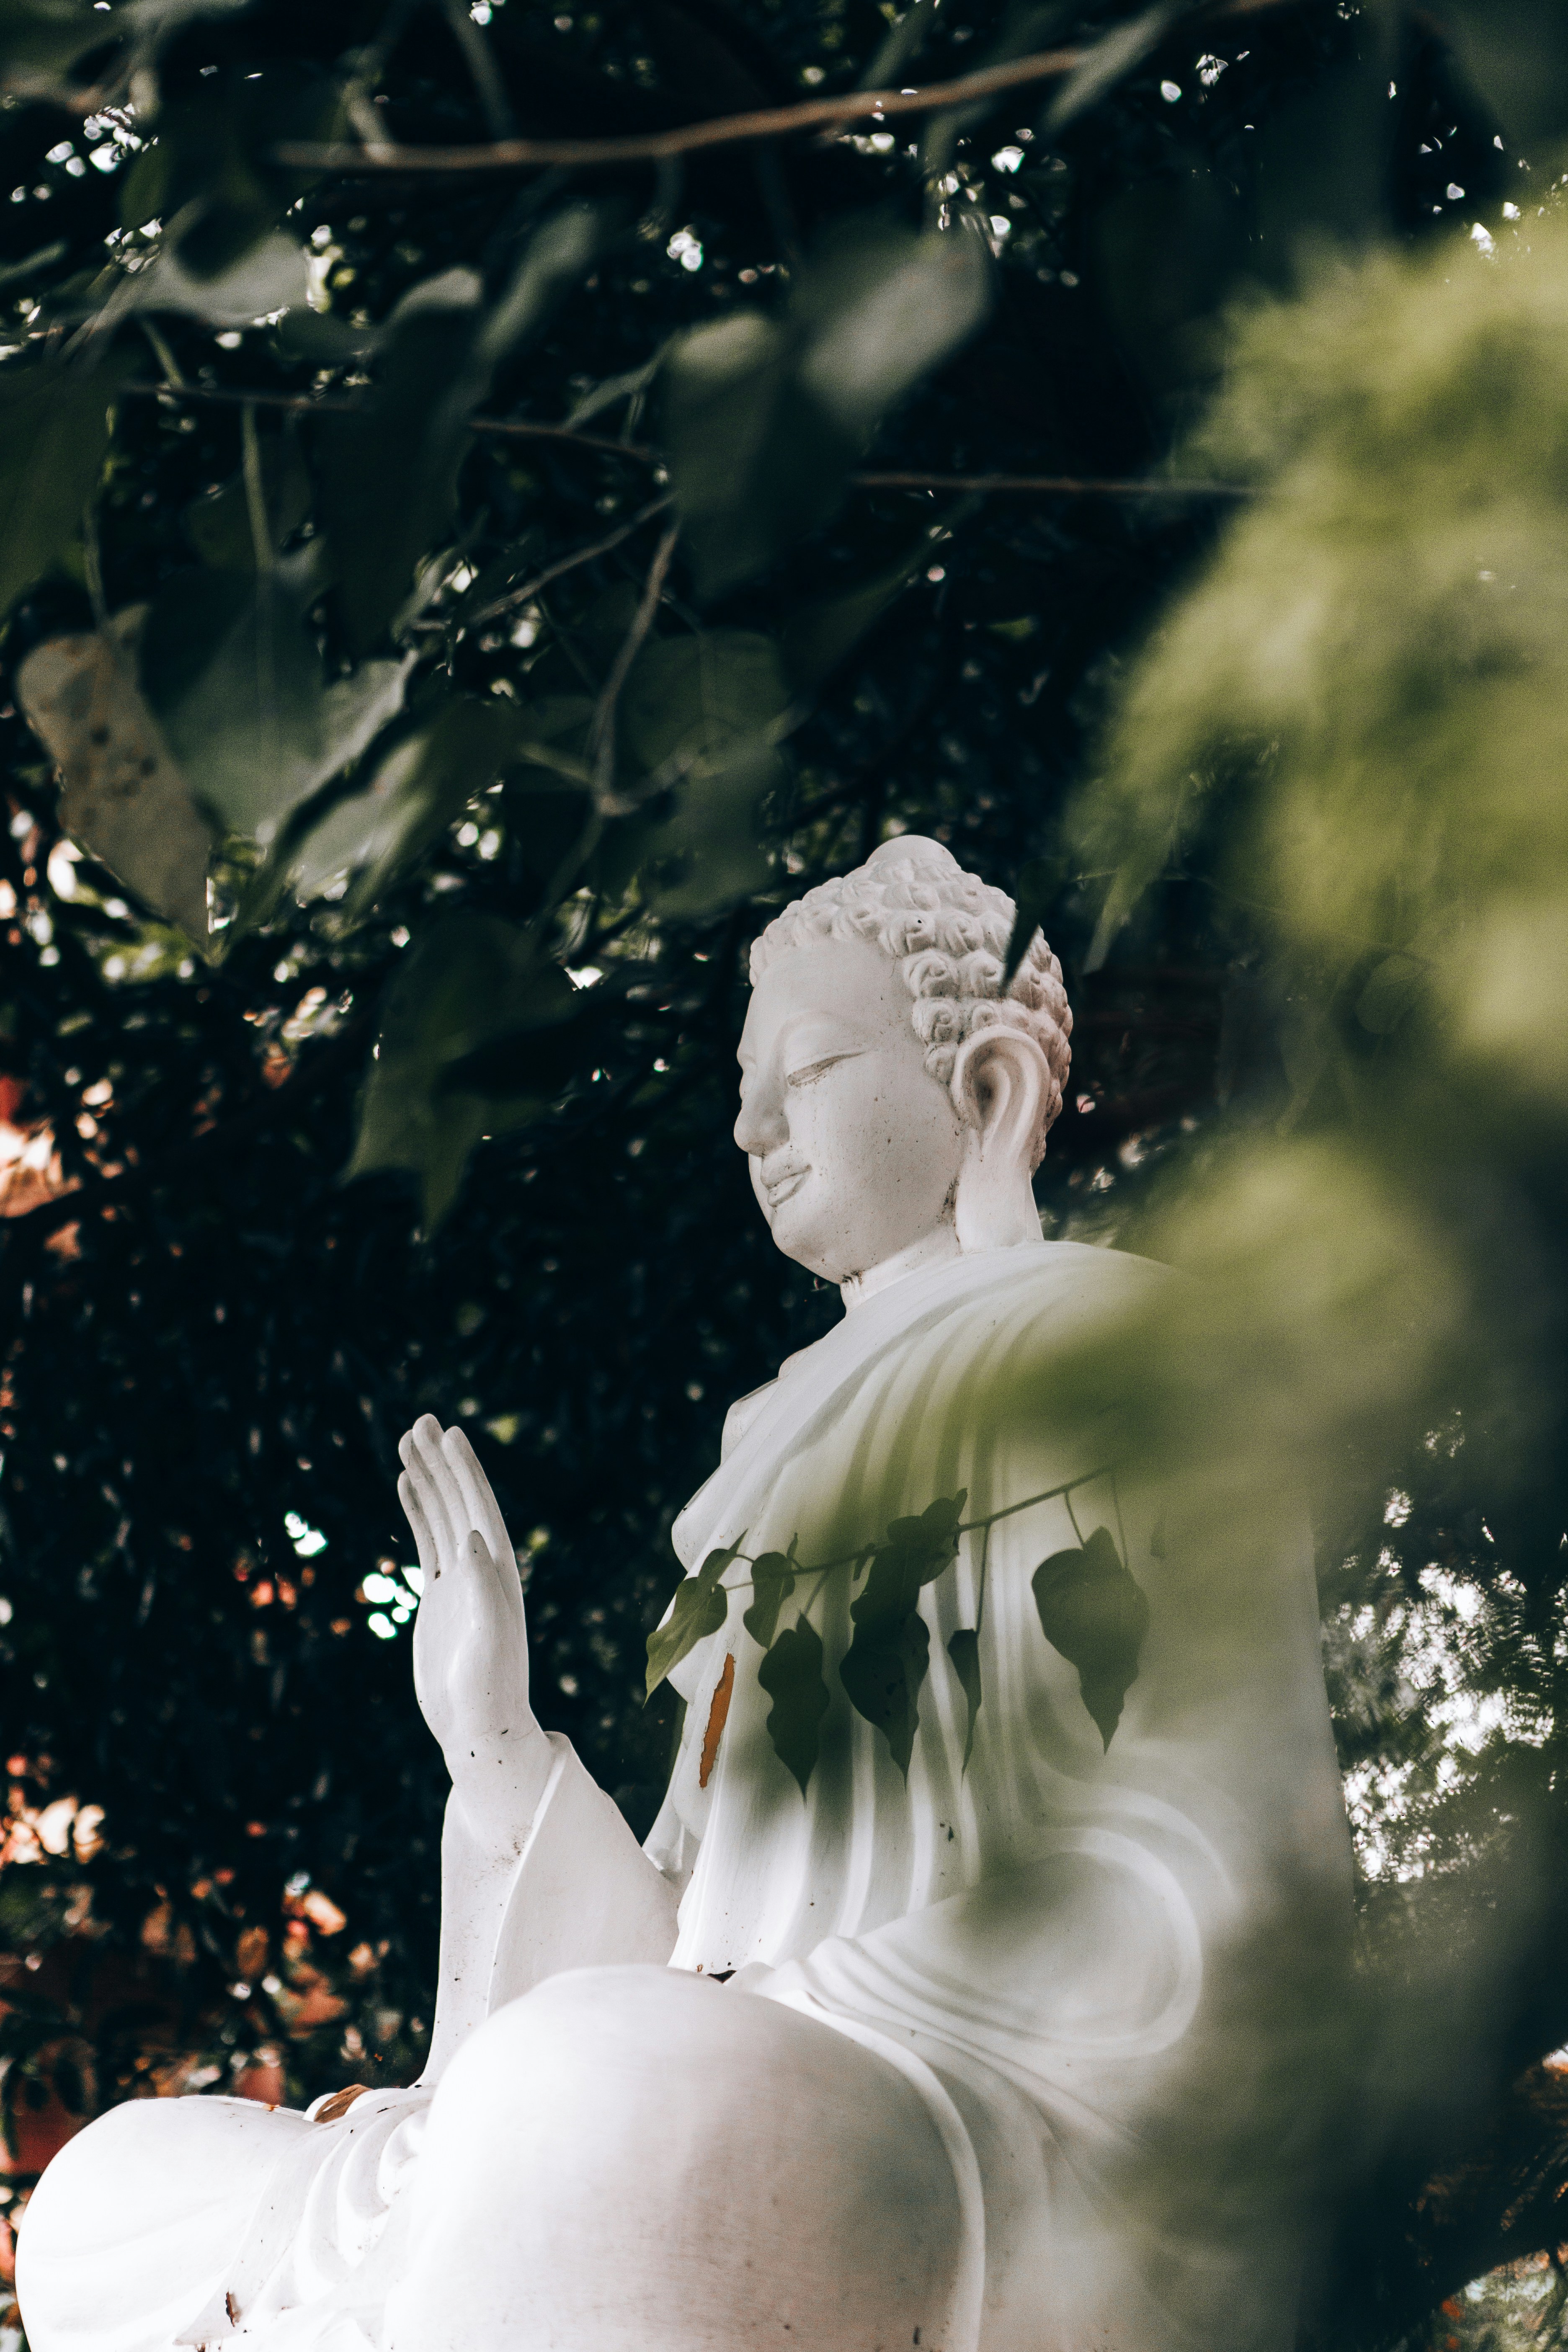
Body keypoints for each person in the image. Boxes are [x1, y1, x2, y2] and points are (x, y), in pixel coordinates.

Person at [20, 838, 1351, 2352]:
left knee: (596, 2085)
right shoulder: (768, 1457)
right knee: (112, 2193)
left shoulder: (1121, 1356)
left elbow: (1230, 1886)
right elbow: (682, 1919)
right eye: (742, 1095)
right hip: (705, 2066)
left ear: (981, 1089)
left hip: (971, 2111)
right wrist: (499, 1749)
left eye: (810, 1069)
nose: (757, 1128)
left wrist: (786, 1995)